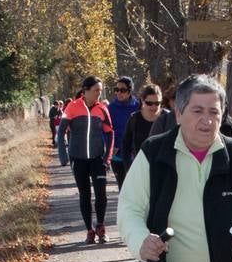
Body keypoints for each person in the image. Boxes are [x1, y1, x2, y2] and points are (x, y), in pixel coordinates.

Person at [117, 74, 232, 262]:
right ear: (178, 113)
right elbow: (129, 209)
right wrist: (141, 241)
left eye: (214, 112)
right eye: (197, 111)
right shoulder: (153, 152)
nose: (207, 120)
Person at [58, 76, 114, 244]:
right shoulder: (72, 107)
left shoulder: (102, 109)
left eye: (100, 90)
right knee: (85, 194)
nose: (99, 93)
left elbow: (110, 133)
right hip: (78, 158)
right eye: (96, 90)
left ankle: (101, 227)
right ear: (86, 90)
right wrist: (63, 156)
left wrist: (107, 158)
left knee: (101, 194)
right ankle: (89, 230)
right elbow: (61, 132)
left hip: (98, 159)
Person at [117, 83, 164, 185]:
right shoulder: (134, 119)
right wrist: (129, 168)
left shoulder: (168, 118)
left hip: (164, 172)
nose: (153, 107)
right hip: (140, 172)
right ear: (142, 101)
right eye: (149, 103)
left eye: (157, 103)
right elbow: (125, 146)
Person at [107, 76, 141, 188]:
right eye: (116, 90)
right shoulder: (110, 108)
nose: (119, 93)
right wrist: (112, 146)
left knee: (136, 188)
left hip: (135, 154)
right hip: (118, 155)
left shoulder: (139, 106)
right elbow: (106, 130)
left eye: (123, 90)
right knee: (123, 187)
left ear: (130, 90)